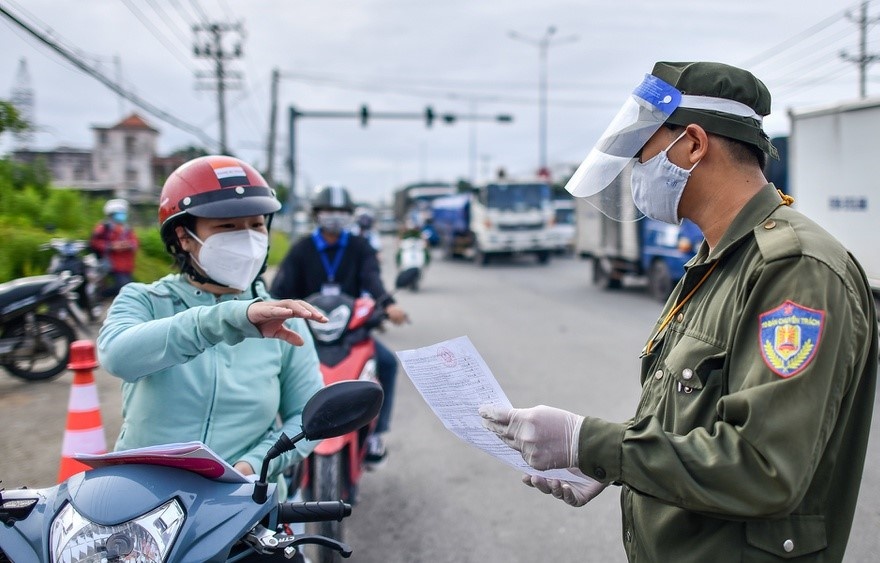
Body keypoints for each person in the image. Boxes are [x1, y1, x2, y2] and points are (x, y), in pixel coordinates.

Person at [480, 61, 877, 562]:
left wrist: (592, 444)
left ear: (692, 143)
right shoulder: (715, 261)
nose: (635, 171)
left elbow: (763, 468)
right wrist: (610, 463)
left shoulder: (795, 270)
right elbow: (692, 417)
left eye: (643, 152)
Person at [96, 155, 327, 504]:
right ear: (184, 237)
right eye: (227, 227)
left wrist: (255, 464)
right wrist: (228, 319)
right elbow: (118, 356)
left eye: (256, 225)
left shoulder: (285, 319)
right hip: (143, 497)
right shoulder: (145, 300)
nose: (248, 239)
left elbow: (307, 417)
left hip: (244, 500)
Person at [270, 184, 408, 468]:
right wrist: (271, 309)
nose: (335, 216)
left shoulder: (360, 248)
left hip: (351, 331)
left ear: (350, 216)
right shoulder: (301, 250)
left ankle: (376, 435)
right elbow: (280, 288)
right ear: (317, 214)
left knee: (387, 363)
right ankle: (277, 434)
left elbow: (372, 280)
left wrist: (388, 305)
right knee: (272, 367)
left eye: (341, 212)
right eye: (329, 211)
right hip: (306, 331)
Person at [89, 198, 139, 297]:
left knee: (129, 288)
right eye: (119, 213)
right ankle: (100, 296)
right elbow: (94, 242)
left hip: (127, 265)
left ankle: (102, 297)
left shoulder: (127, 228)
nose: (122, 215)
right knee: (122, 287)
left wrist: (127, 245)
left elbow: (135, 242)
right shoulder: (104, 227)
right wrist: (111, 246)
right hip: (112, 264)